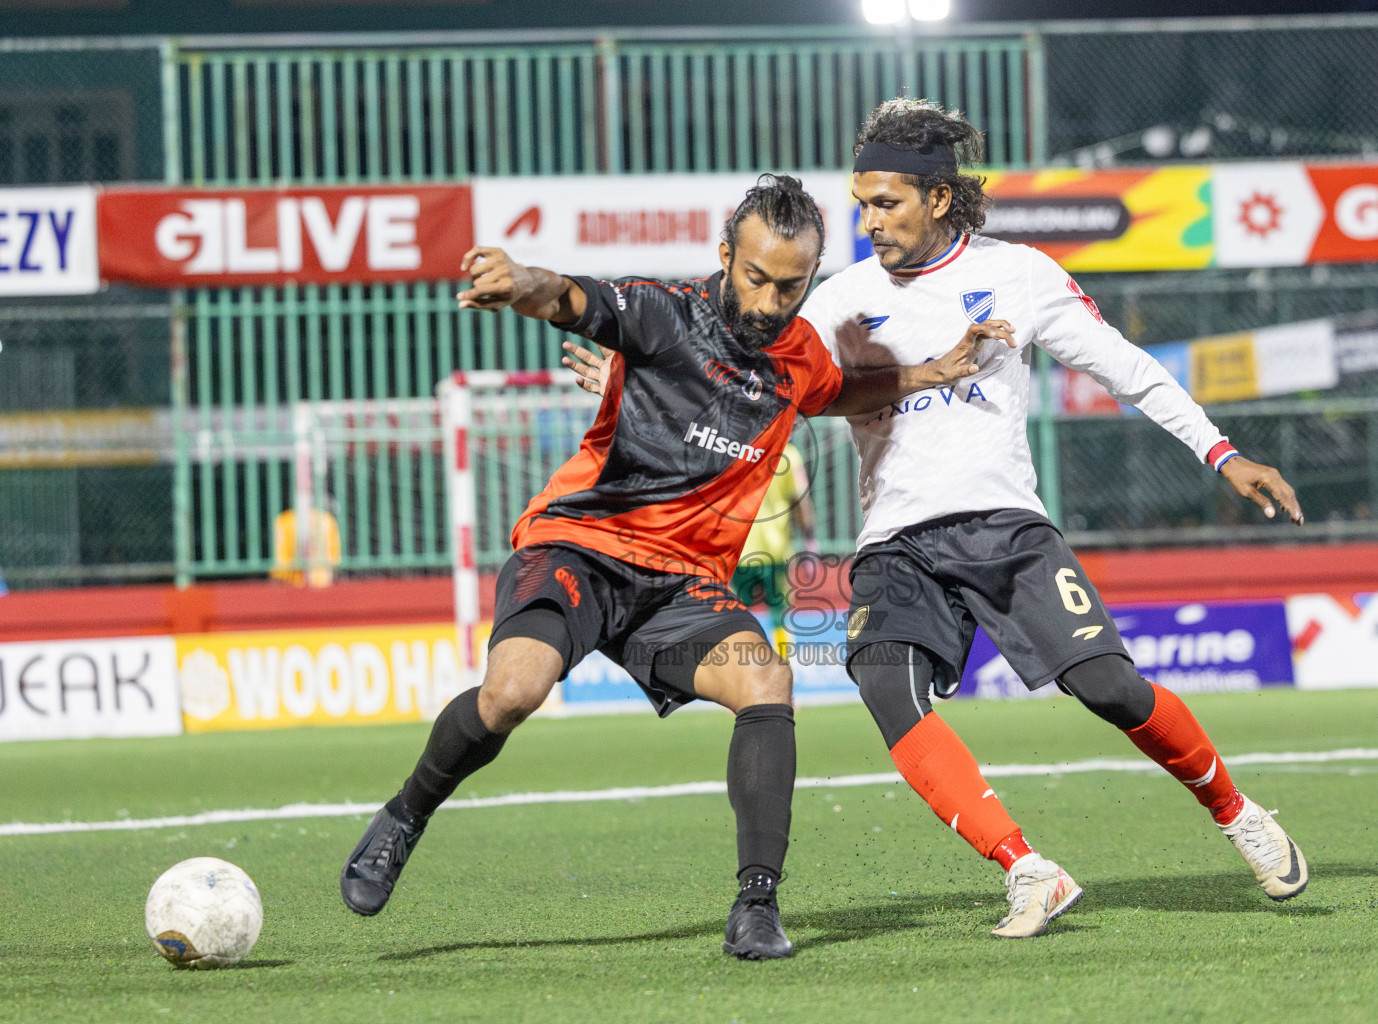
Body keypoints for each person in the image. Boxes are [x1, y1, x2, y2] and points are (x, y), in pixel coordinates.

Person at [568, 103, 1311, 941]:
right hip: (894, 543)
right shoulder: (838, 301)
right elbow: (749, 381)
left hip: (1005, 528)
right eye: (861, 202)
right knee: (884, 684)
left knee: (1108, 686)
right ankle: (1028, 869)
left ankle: (1237, 812)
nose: (868, 220)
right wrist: (640, 389)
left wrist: (1222, 453)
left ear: (939, 200)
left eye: (886, 203)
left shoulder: (1022, 274)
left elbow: (1129, 370)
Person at [338, 174, 1010, 960]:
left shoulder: (797, 356)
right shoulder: (663, 313)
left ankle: (756, 907)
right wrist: (520, 282)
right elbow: (571, 298)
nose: (769, 302)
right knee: (512, 692)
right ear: (726, 256)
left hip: (682, 589)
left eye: (790, 287)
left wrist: (933, 370)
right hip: (580, 548)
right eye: (755, 278)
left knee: (766, 681)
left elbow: (835, 391)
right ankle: (405, 815)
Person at [731, 440, 817, 653]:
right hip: (775, 550)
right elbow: (800, 500)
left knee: (734, 613)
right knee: (779, 613)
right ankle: (784, 665)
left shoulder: (736, 449)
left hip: (739, 549)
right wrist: (810, 541)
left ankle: (739, 669)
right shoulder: (788, 453)